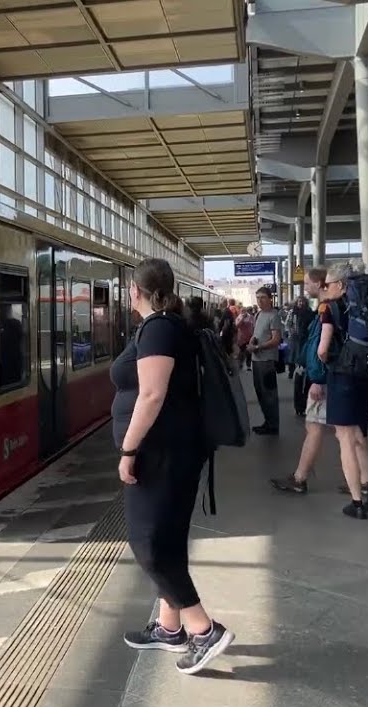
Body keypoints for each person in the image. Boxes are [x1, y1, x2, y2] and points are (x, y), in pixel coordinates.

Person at [112, 258, 234, 675]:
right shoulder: (166, 325)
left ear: (135, 291)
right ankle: (169, 628)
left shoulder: (160, 328)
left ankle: (204, 630)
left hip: (162, 453)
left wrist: (128, 451)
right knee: (166, 539)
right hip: (173, 449)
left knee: (149, 545)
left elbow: (151, 396)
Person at [318, 263, 368, 518]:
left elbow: (323, 348)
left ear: (339, 284)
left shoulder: (330, 308)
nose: (325, 289)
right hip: (366, 375)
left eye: (327, 284)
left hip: (343, 376)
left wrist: (325, 362)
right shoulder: (365, 304)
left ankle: (357, 501)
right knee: (357, 435)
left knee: (345, 439)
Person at [271, 268, 329, 493]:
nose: (304, 287)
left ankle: (299, 478)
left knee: (316, 426)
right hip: (325, 377)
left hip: (322, 380)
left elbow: (322, 349)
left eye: (307, 283)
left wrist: (317, 377)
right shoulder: (324, 310)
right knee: (349, 433)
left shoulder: (327, 310)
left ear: (322, 284)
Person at [249, 287, 283, 435]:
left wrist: (259, 347)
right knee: (260, 392)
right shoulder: (258, 314)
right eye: (257, 298)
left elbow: (276, 340)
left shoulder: (273, 316)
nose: (260, 301)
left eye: (263, 297)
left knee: (269, 393)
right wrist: (252, 342)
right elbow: (256, 334)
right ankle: (267, 421)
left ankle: (273, 425)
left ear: (270, 298)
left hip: (267, 361)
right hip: (256, 360)